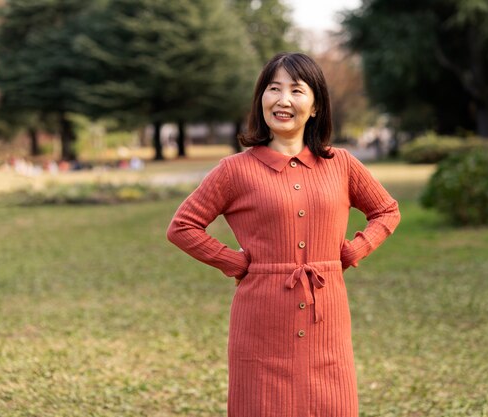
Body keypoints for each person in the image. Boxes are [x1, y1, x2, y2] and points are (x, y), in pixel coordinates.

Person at [166, 52, 401, 417]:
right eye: (273, 89)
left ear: (316, 105)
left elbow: (386, 210)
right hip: (261, 321)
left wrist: (356, 250)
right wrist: (234, 261)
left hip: (327, 320)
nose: (283, 100)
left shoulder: (341, 164)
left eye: (296, 90)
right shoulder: (234, 170)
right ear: (261, 99)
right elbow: (182, 227)